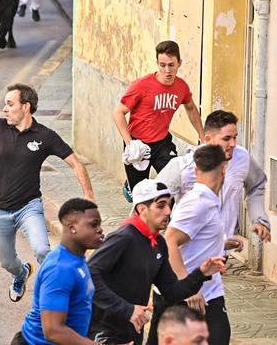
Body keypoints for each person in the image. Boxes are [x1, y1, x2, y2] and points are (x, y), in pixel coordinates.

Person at [0, 84, 94, 302]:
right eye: (5, 104)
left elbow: (76, 164)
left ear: (26, 107)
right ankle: (21, 273)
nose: (5, 109)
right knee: (5, 262)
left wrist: (89, 197)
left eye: (10, 104)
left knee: (42, 249)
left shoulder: (45, 136)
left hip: (28, 207)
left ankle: (61, 291)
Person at [87, 179, 225, 345]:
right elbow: (89, 274)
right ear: (142, 209)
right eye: (161, 205)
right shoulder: (123, 238)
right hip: (104, 330)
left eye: (169, 204)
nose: (168, 211)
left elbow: (172, 292)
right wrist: (127, 309)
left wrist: (201, 273)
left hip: (133, 329)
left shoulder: (158, 243)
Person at [147, 145, 231, 345]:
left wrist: (222, 242)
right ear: (223, 169)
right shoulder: (198, 201)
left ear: (195, 171)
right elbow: (170, 240)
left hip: (208, 291)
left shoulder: (208, 199)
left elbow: (194, 236)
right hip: (188, 295)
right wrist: (189, 287)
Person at [156, 110, 272, 246]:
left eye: (235, 137)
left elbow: (256, 185)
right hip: (186, 251)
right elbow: (151, 202)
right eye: (227, 139)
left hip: (220, 250)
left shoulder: (242, 158)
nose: (233, 144)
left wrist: (259, 219)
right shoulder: (183, 166)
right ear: (207, 139)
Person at [113, 40, 204, 200]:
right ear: (157, 63)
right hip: (138, 143)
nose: (167, 70)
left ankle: (169, 220)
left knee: (175, 182)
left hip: (162, 143)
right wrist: (130, 144)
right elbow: (118, 113)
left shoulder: (181, 87)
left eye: (171, 65)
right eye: (162, 65)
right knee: (140, 197)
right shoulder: (141, 85)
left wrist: (204, 139)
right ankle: (130, 185)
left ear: (179, 63)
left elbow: (191, 108)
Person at [11, 198, 104, 345]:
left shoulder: (77, 259)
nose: (100, 230)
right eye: (93, 224)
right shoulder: (60, 269)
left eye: (99, 224)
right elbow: (53, 331)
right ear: (72, 227)